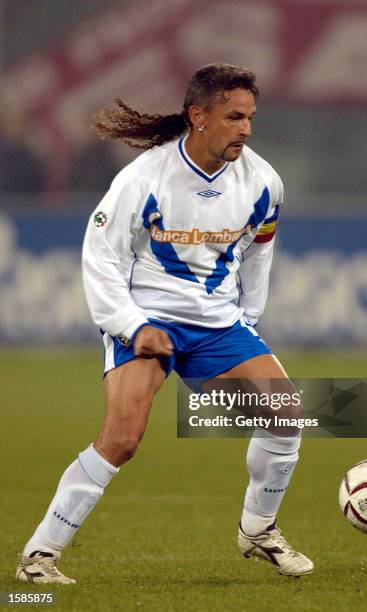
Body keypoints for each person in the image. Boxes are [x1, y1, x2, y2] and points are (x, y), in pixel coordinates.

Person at [16, 63, 313, 584]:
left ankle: (259, 529)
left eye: (250, 117)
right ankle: (39, 557)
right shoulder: (143, 177)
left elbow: (259, 251)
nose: (245, 128)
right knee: (122, 439)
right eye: (233, 117)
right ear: (198, 116)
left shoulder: (264, 182)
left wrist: (248, 318)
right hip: (149, 318)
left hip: (217, 325)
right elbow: (100, 256)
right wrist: (131, 325)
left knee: (287, 416)